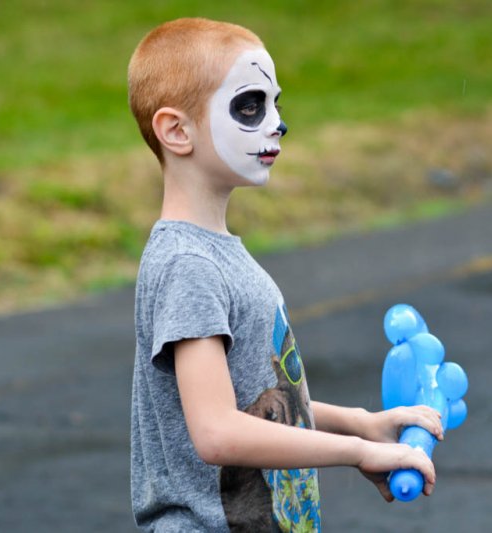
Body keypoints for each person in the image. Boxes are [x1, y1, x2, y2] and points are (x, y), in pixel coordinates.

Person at [127, 17, 443, 532]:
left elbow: (255, 402)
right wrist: (356, 451)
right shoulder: (189, 266)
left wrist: (360, 422)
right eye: (250, 105)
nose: (277, 122)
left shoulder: (215, 253)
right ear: (176, 131)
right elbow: (217, 431)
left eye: (276, 103)